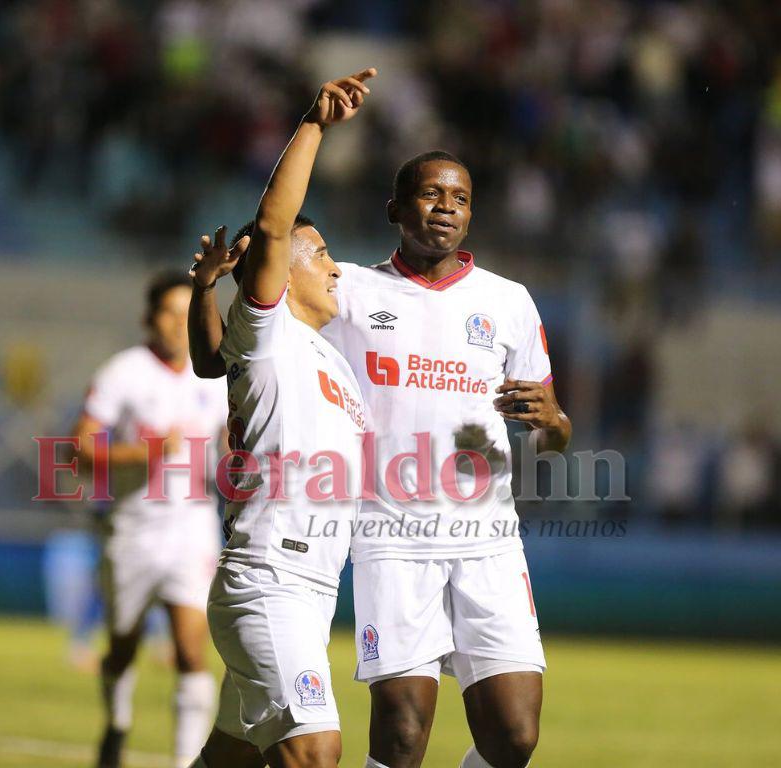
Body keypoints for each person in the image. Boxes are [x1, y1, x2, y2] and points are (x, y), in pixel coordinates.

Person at [190, 138, 571, 768]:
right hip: (387, 540)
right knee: (399, 738)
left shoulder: (510, 303)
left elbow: (550, 434)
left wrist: (555, 422)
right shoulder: (349, 292)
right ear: (395, 208)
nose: (446, 208)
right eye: (430, 194)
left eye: (461, 198)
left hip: (488, 539)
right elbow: (227, 355)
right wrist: (210, 290)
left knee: (516, 737)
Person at [188, 68, 376, 768]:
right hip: (270, 578)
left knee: (230, 759)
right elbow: (273, 225)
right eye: (321, 253)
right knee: (314, 754)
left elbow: (210, 365)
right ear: (281, 271)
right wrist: (315, 126)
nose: (336, 267)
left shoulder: (330, 362)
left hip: (312, 589)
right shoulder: (268, 332)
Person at [74, 271, 229, 768]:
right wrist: (147, 450)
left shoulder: (218, 376)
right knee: (122, 647)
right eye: (169, 312)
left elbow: (232, 443)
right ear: (149, 318)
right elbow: (79, 450)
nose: (180, 323)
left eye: (189, 312)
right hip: (133, 528)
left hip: (192, 527)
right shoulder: (125, 372)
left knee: (191, 651)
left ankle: (185, 761)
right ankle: (117, 723)